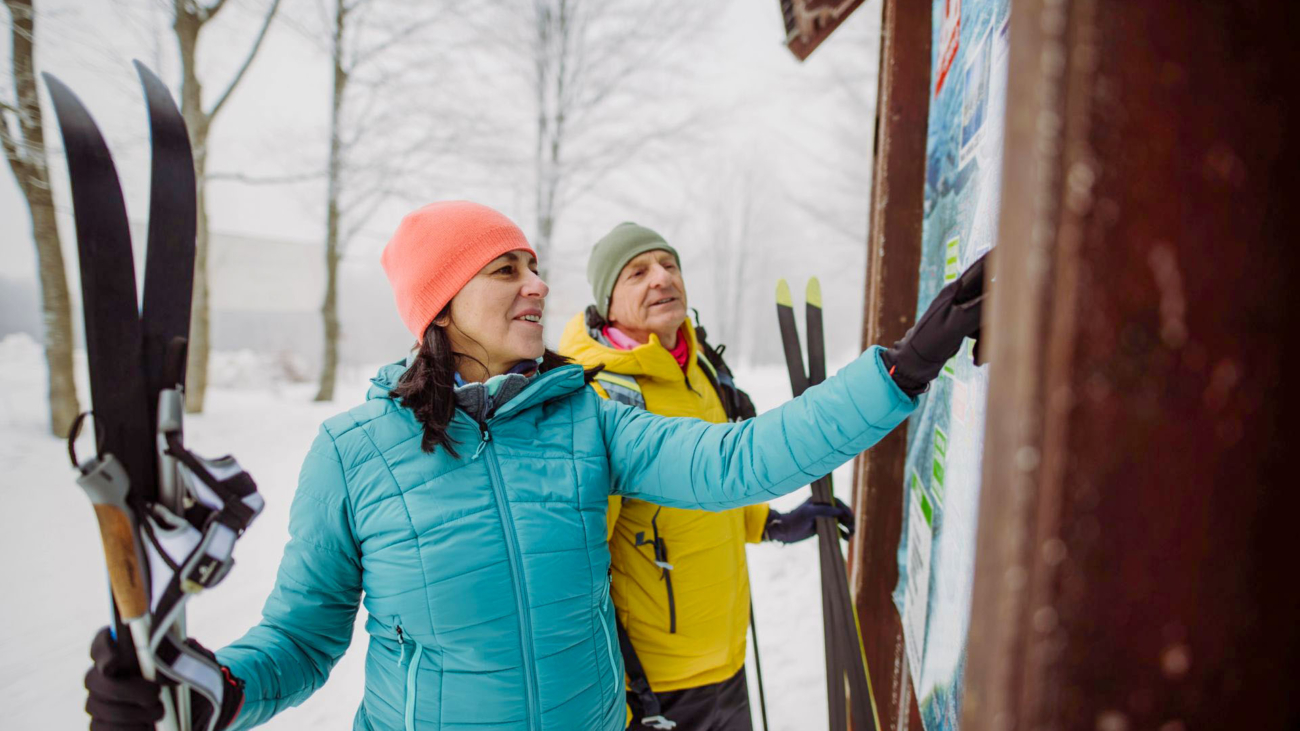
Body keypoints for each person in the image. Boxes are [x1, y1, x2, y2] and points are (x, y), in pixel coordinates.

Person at [82, 201, 985, 731]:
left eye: (536, 265)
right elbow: (304, 638)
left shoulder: (588, 418)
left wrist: (901, 368)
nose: (538, 285)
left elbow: (737, 460)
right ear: (441, 304)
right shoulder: (353, 455)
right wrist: (222, 688)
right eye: (505, 269)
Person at [558, 222, 853, 730]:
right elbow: (578, 567)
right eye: (638, 272)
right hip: (655, 684)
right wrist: (612, 699)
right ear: (608, 302)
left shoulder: (702, 371)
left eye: (669, 265)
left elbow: (717, 482)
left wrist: (770, 523)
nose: (661, 278)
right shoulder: (599, 398)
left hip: (726, 654)